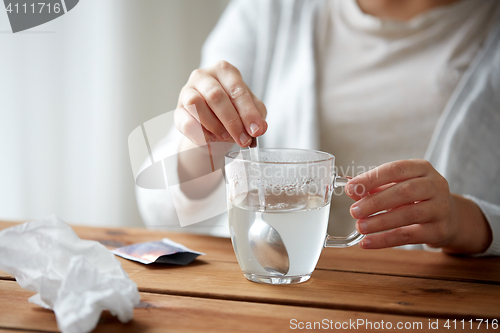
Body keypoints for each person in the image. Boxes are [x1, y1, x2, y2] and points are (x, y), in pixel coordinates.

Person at [136, 0, 500, 255]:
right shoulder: (270, 11)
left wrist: (466, 221)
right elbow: (161, 208)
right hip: (274, 295)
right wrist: (202, 145)